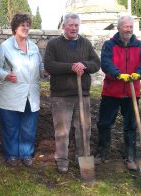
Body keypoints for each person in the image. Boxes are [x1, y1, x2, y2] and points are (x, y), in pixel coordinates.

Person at [43, 13, 101, 173]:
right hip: (61, 96)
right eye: (70, 25)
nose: (74, 28)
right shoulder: (54, 44)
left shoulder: (86, 43)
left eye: (76, 25)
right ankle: (62, 160)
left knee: (84, 129)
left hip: (83, 95)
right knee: (62, 131)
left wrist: (84, 65)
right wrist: (71, 67)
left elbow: (96, 64)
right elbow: (49, 65)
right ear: (64, 26)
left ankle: (83, 159)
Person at [95, 15, 141, 170]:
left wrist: (138, 73)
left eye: (131, 27)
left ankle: (131, 157)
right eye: (126, 27)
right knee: (104, 123)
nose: (129, 29)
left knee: (131, 125)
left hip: (132, 93)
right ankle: (103, 153)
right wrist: (118, 74)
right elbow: (106, 63)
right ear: (119, 28)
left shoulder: (139, 45)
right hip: (111, 92)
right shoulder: (109, 45)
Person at [0, 12, 46, 167]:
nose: (26, 28)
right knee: (10, 127)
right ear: (15, 27)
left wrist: (44, 71)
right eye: (23, 25)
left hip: (30, 94)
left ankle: (26, 154)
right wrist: (6, 75)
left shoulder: (34, 47)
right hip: (9, 95)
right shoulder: (5, 47)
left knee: (29, 126)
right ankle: (12, 155)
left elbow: (40, 67)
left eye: (28, 25)